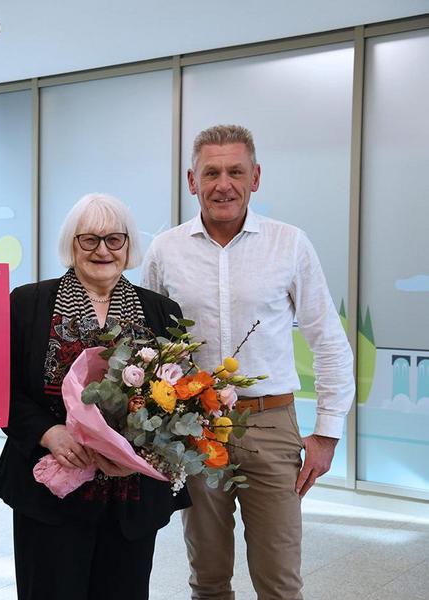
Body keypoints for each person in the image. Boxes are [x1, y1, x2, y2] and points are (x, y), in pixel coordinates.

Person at [141, 124, 355, 600]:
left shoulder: (290, 244)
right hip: (193, 430)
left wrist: (327, 431)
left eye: (236, 171)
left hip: (271, 425)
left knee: (279, 579)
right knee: (208, 576)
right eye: (211, 172)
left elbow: (328, 339)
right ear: (191, 180)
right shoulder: (165, 250)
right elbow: (148, 346)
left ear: (255, 177)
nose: (224, 184)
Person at [0, 193, 191, 600]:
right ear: (72, 244)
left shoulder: (162, 312)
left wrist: (139, 454)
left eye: (114, 240)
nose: (103, 250)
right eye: (90, 240)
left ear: (128, 245)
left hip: (130, 497)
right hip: (49, 492)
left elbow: (180, 398)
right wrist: (50, 433)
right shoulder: (28, 304)